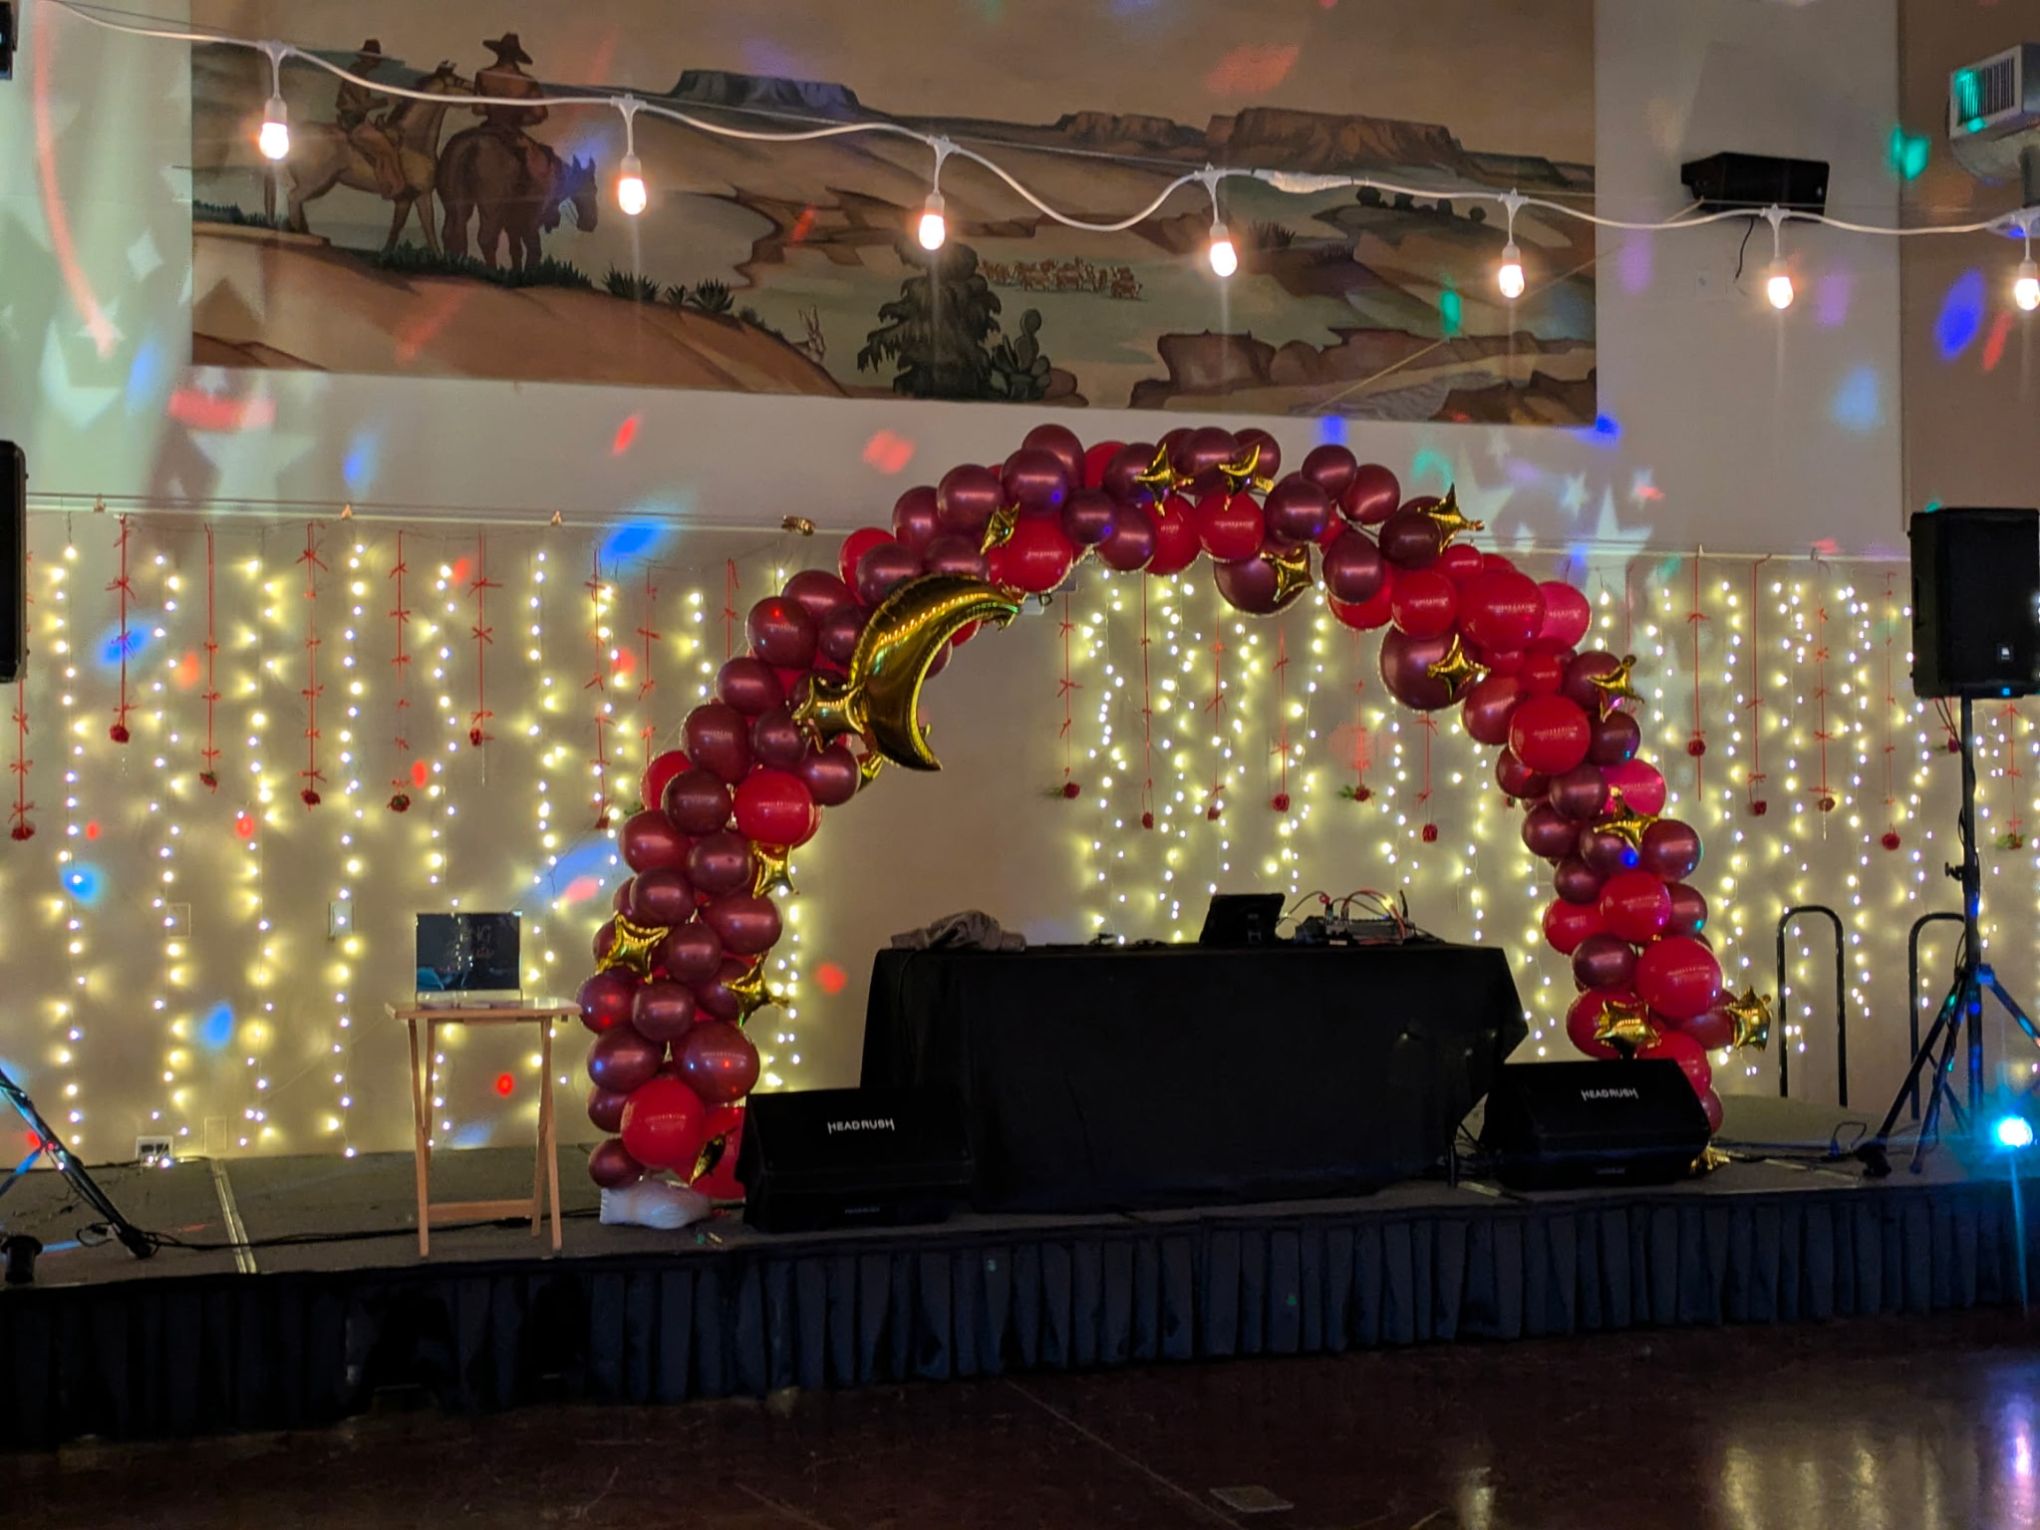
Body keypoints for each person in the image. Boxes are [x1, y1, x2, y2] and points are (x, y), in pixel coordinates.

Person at [473, 32, 550, 190]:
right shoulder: (526, 81)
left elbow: (477, 108)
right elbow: (539, 114)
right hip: (511, 131)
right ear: (516, 57)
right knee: (540, 165)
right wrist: (519, 118)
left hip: (487, 128)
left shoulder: (483, 74)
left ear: (498, 53)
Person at [333, 38, 404, 199]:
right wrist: (388, 101)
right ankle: (389, 185)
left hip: (354, 119)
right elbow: (364, 103)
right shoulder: (358, 75)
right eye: (374, 59)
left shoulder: (358, 72)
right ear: (368, 59)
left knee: (384, 144)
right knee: (387, 149)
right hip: (353, 122)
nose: (375, 63)